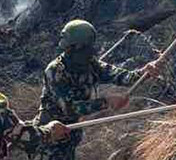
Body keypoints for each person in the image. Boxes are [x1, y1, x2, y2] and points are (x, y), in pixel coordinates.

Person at [34, 20, 161, 160]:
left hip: (70, 134)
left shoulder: (91, 64)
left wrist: (144, 72)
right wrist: (107, 102)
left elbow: (120, 76)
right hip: (49, 137)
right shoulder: (55, 71)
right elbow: (70, 108)